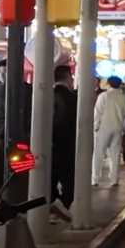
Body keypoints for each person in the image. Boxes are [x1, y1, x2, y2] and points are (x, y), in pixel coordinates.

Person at [92, 75, 125, 190]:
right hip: (118, 127)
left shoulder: (104, 96)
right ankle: (114, 179)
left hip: (103, 128)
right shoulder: (124, 98)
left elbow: (98, 112)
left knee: (98, 153)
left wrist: (95, 126)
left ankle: (95, 178)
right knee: (115, 154)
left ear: (108, 84)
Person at [47, 64, 76, 218]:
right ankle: (63, 205)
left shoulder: (47, 94)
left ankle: (53, 203)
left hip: (50, 142)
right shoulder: (72, 97)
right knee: (68, 177)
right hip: (68, 143)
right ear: (67, 77)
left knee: (50, 176)